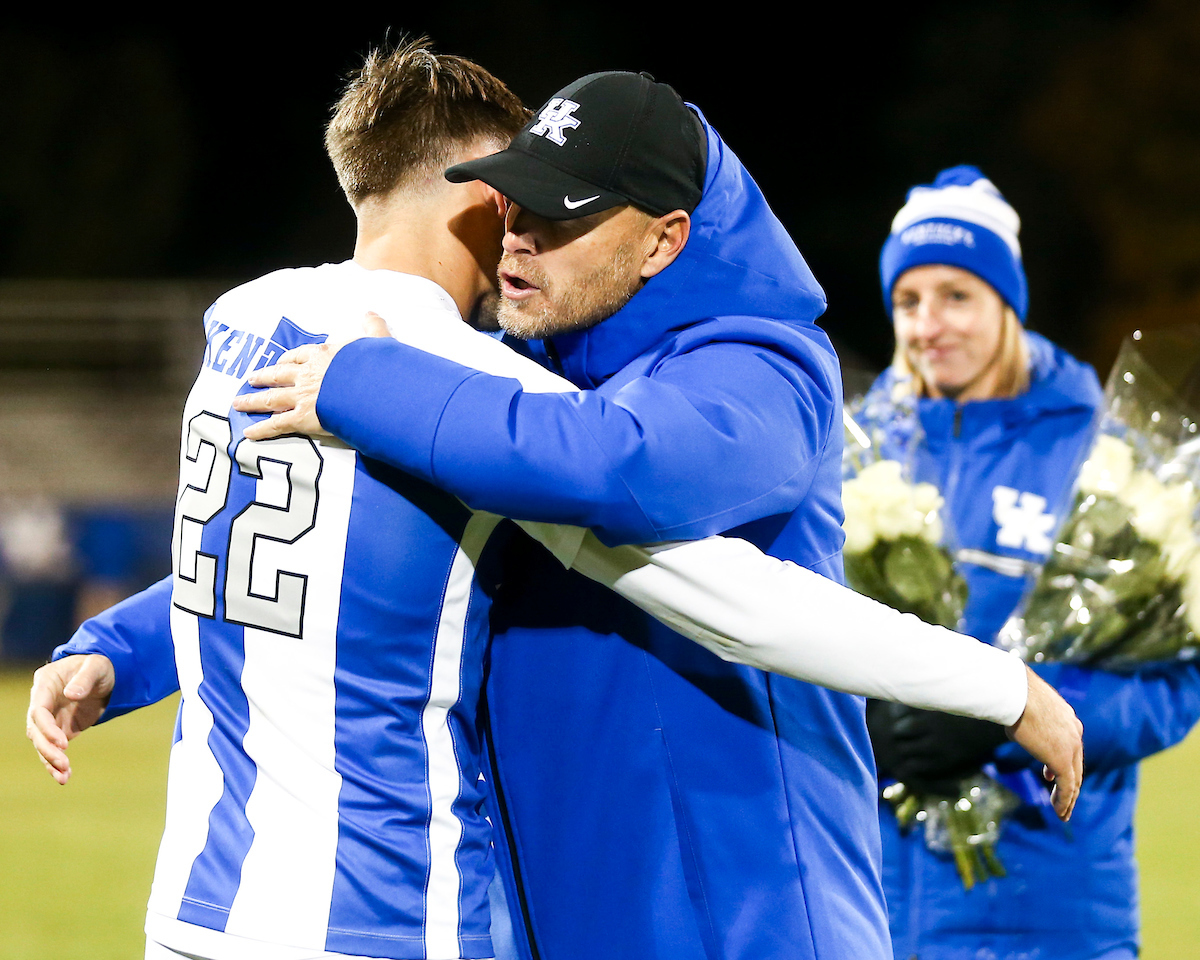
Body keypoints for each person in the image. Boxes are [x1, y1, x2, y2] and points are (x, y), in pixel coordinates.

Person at [27, 59, 1080, 960]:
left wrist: (995, 685)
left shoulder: (754, 364)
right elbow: (318, 552)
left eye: (554, 213)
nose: (519, 237)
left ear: (664, 240)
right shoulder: (491, 380)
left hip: (735, 895)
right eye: (512, 202)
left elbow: (665, 524)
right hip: (493, 900)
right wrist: (127, 642)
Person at [862, 165, 1200, 960]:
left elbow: (1174, 681)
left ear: (1006, 303)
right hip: (877, 896)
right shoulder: (861, 449)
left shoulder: (1106, 456)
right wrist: (866, 717)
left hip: (1050, 902)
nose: (927, 324)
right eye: (907, 301)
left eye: (956, 296)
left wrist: (1004, 719)